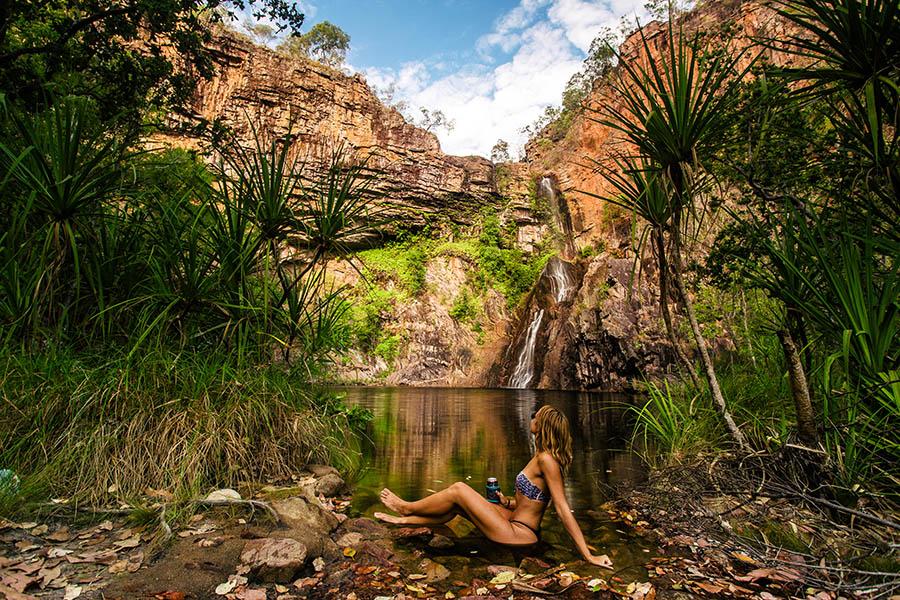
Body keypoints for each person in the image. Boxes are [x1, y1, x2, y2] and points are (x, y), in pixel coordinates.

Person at [374, 405, 613, 568]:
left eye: (535, 416)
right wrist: (505, 501)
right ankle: (405, 520)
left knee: (459, 489)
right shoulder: (540, 455)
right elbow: (530, 503)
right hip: (513, 520)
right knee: (457, 506)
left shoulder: (547, 460)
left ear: (543, 425)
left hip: (519, 535)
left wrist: (588, 555)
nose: (532, 418)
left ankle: (406, 508)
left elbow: (561, 508)